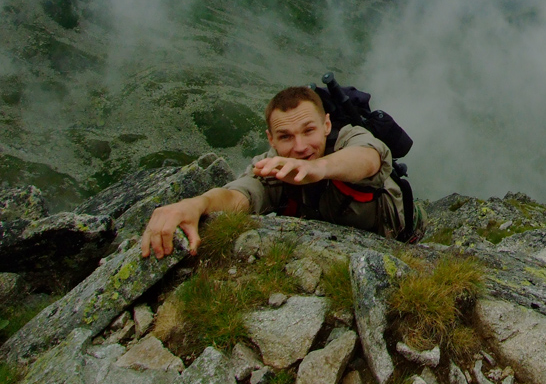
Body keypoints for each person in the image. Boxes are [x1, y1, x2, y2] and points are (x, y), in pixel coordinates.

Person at [141, 86, 415, 259]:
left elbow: (369, 158)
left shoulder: (348, 138)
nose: (300, 147)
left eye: (309, 131)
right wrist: (196, 204)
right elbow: (239, 195)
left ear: (326, 125)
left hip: (404, 230)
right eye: (285, 137)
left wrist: (316, 168)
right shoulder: (273, 165)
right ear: (271, 140)